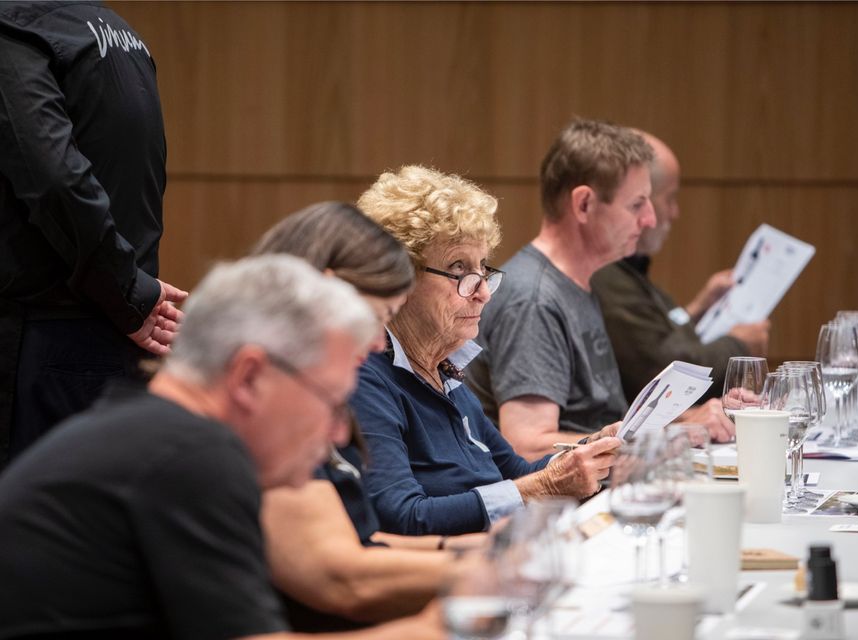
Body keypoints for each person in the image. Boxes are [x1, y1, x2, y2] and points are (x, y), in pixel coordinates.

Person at [0, 255, 442, 639]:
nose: (340, 435)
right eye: (332, 401)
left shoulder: (152, 432)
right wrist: (446, 625)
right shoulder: (192, 452)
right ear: (249, 377)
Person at [353, 165, 621, 536]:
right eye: (459, 269)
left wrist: (591, 451)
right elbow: (402, 516)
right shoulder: (366, 379)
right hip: (452, 568)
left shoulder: (445, 373)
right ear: (400, 278)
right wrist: (542, 487)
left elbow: (517, 473)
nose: (482, 292)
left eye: (482, 269)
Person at [252, 202, 467, 630]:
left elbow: (361, 538)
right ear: (326, 293)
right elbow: (342, 579)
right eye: (375, 318)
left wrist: (471, 552)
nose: (377, 345)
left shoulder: (310, 393)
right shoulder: (266, 406)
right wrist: (482, 574)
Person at [465, 119, 722, 462]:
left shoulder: (575, 283)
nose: (649, 219)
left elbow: (596, 419)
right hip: (579, 495)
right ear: (584, 204)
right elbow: (528, 446)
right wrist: (662, 438)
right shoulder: (534, 299)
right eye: (636, 205)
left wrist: (685, 421)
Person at [0, 1, 187, 467]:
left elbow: (54, 180)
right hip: (113, 328)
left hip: (42, 343)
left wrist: (129, 291)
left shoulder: (15, 31)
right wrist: (130, 294)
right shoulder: (119, 34)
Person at [592, 131, 770, 401]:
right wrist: (738, 345)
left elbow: (657, 337)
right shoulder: (605, 275)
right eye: (669, 198)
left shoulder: (629, 268)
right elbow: (662, 371)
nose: (671, 214)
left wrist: (697, 309)